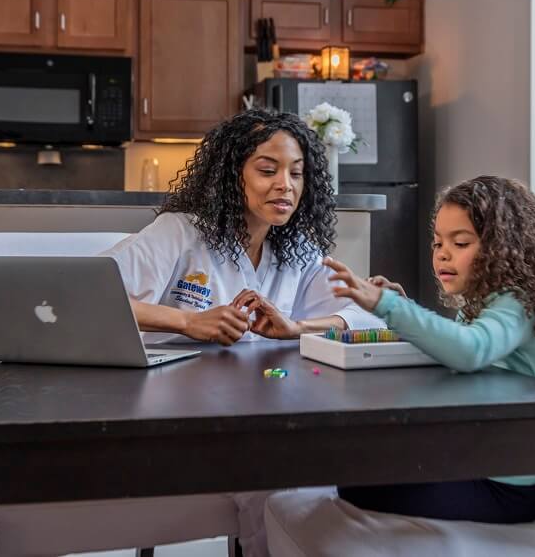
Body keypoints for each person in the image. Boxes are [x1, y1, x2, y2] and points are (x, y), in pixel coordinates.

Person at [101, 109, 383, 556]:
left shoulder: (297, 250)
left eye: (296, 173)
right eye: (267, 170)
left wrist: (297, 326)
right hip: (173, 413)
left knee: (306, 465)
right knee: (279, 475)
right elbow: (93, 296)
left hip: (261, 411)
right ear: (233, 174)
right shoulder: (179, 233)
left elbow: (366, 318)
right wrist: (187, 321)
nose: (284, 185)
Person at [324, 175, 535, 523]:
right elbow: (454, 343)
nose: (443, 254)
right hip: (484, 461)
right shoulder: (485, 303)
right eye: (437, 243)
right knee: (364, 462)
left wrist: (387, 305)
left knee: (356, 483)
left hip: (510, 485)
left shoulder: (517, 304)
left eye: (460, 243)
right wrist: (405, 307)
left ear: (503, 248)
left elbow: (470, 349)